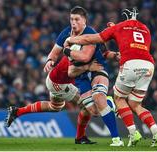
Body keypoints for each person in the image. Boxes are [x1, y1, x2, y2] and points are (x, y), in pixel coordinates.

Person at [64, 7, 157, 147]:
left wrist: (70, 40)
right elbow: (131, 38)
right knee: (135, 104)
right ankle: (156, 131)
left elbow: (93, 38)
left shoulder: (120, 26)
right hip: (148, 65)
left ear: (125, 17)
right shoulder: (145, 28)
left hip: (130, 63)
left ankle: (132, 133)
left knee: (119, 98)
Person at [44, 6, 123, 146]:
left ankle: (116, 139)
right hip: (80, 77)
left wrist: (114, 55)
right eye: (71, 19)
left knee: (99, 98)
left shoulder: (90, 33)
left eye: (76, 19)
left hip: (97, 69)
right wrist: (50, 60)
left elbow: (97, 54)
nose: (73, 22)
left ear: (84, 20)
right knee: (94, 111)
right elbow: (55, 53)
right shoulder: (66, 33)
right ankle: (110, 103)